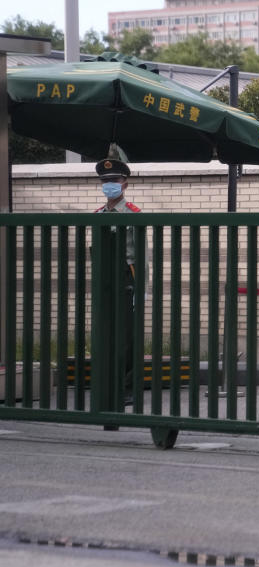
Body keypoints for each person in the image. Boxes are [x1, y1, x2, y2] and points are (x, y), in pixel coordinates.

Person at [94, 156, 140, 406]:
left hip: (126, 273)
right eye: (106, 181)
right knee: (105, 332)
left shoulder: (133, 214)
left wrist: (143, 286)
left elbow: (142, 254)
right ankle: (107, 383)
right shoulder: (98, 214)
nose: (110, 184)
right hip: (104, 274)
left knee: (126, 335)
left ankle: (127, 387)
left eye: (115, 180)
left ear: (125, 184)